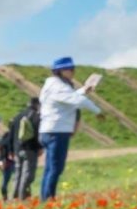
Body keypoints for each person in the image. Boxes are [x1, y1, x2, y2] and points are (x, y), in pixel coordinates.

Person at [38, 57, 99, 201]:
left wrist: (84, 90)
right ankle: (47, 199)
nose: (73, 72)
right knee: (55, 168)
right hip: (57, 131)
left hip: (51, 130)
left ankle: (46, 197)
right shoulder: (58, 85)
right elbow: (76, 100)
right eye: (70, 69)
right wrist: (98, 111)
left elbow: (71, 97)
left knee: (50, 168)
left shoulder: (54, 85)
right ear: (60, 71)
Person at [7, 98, 41, 199]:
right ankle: (23, 197)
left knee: (18, 173)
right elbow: (37, 134)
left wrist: (11, 150)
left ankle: (14, 196)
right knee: (27, 174)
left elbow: (11, 135)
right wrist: (39, 147)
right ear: (37, 105)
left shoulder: (17, 117)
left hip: (17, 149)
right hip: (30, 149)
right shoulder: (36, 117)